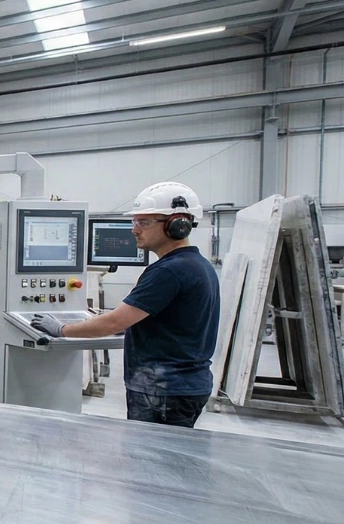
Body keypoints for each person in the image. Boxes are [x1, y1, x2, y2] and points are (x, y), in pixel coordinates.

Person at [31, 182, 220, 428]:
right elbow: (149, 318)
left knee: (152, 460)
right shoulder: (197, 264)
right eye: (135, 221)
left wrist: (61, 329)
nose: (134, 229)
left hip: (163, 391)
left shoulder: (169, 271)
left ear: (177, 224)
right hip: (181, 386)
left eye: (143, 222)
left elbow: (114, 322)